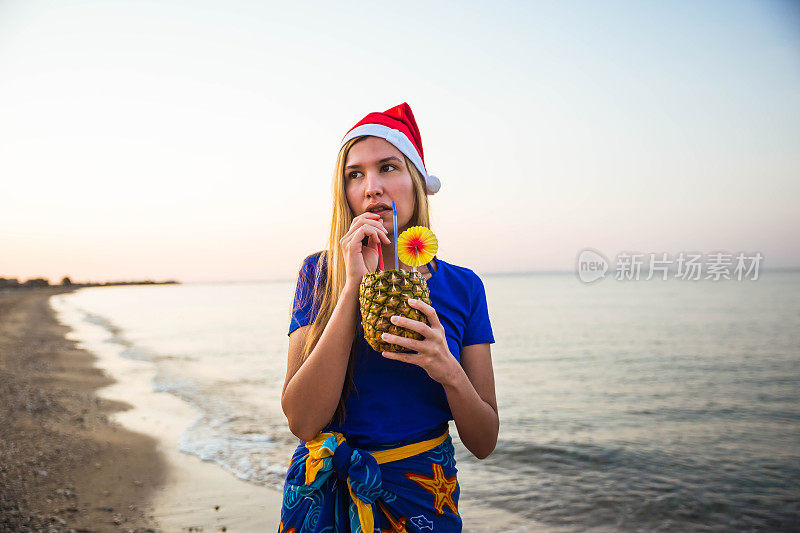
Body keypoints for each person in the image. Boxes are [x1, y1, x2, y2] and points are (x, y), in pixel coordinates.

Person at [279, 102, 498, 532]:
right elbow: (302, 421)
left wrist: (449, 371)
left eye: (388, 168)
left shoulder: (464, 286)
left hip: (423, 496)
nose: (372, 187)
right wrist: (350, 289)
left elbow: (484, 441)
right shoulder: (318, 274)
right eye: (355, 174)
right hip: (324, 496)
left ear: (417, 183)